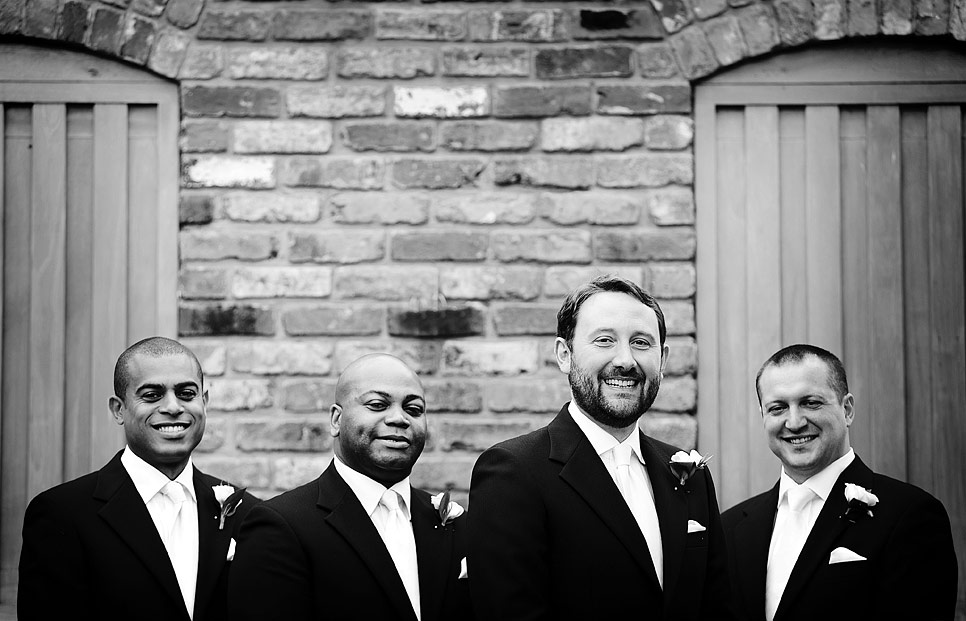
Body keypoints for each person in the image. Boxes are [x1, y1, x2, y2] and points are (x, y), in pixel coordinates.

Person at [468, 275, 734, 620]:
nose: (625, 359)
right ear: (565, 355)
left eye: (641, 343)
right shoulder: (513, 473)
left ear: (663, 360)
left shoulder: (689, 475)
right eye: (605, 340)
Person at [18, 336, 256, 621]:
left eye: (186, 393)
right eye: (152, 395)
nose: (173, 406)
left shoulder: (246, 513)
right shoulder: (62, 513)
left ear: (204, 402)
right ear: (119, 410)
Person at [721, 344, 958, 621]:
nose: (794, 422)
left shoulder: (911, 515)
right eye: (778, 408)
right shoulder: (730, 527)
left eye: (811, 403)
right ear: (763, 416)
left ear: (847, 410)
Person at [228, 353, 471, 621]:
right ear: (336, 420)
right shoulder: (281, 526)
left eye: (413, 409)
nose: (400, 418)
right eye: (378, 404)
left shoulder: (454, 524)